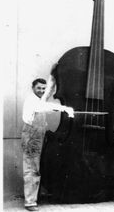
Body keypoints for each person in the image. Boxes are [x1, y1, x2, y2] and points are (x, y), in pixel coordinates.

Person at [21, 74, 74, 211]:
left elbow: (46, 98)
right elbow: (41, 108)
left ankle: (34, 198)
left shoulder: (40, 99)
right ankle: (30, 202)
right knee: (32, 168)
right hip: (32, 136)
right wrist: (63, 108)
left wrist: (52, 76)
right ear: (33, 88)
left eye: (43, 88)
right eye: (38, 88)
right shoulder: (32, 100)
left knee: (36, 167)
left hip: (39, 135)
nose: (41, 91)